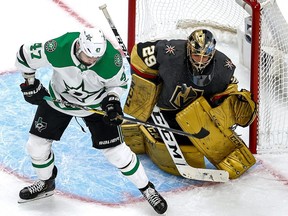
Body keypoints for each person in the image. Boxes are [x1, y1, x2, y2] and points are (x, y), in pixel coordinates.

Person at [15, 27, 167, 214]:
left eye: (97, 58)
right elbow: (24, 55)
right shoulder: (58, 48)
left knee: (117, 153)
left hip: (95, 106)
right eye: (89, 57)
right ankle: (46, 182)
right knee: (36, 146)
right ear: (79, 46)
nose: (93, 61)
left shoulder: (111, 59)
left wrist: (112, 100)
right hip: (59, 100)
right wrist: (29, 84)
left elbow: (118, 84)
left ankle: (147, 188)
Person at [124, 29, 257, 179]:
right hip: (165, 108)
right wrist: (149, 84)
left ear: (212, 54)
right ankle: (149, 124)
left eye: (205, 56)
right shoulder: (170, 53)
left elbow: (228, 93)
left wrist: (225, 106)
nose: (200, 60)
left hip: (194, 115)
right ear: (188, 49)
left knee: (199, 139)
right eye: (196, 55)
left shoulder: (223, 67)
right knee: (186, 148)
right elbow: (139, 52)